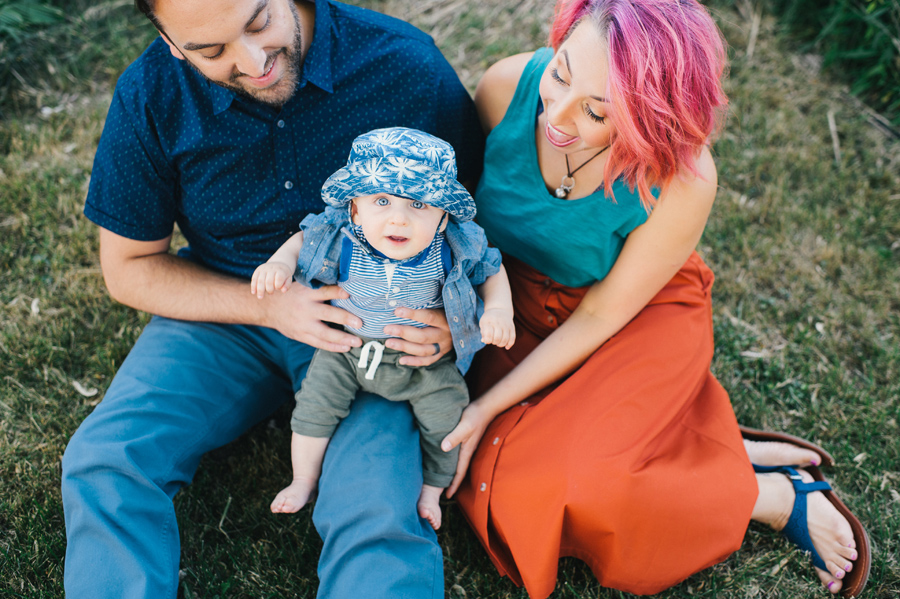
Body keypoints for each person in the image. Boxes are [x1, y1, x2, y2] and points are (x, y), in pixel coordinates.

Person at [439, 0, 871, 597]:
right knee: (483, 467)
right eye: (561, 73)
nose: (558, 116)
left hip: (628, 315)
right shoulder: (506, 85)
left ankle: (767, 496)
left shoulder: (684, 176)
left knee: (579, 485)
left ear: (652, 115)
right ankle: (696, 444)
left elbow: (603, 313)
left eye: (597, 111)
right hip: (511, 307)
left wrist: (486, 406)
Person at [62, 0, 484, 597]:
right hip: (228, 309)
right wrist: (264, 306)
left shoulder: (404, 64)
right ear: (171, 42)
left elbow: (475, 224)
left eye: (259, 22)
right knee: (106, 461)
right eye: (211, 51)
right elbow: (129, 269)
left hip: (374, 328)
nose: (253, 61)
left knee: (375, 505)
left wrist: (452, 319)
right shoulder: (149, 95)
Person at [252, 127, 514, 529]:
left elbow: (491, 272)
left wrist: (497, 310)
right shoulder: (342, 236)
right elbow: (300, 242)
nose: (399, 217)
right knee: (314, 406)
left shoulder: (454, 246)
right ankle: (303, 478)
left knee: (448, 413)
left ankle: (432, 488)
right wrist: (279, 265)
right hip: (349, 348)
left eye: (419, 204)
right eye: (381, 200)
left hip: (422, 358)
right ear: (355, 208)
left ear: (443, 218)